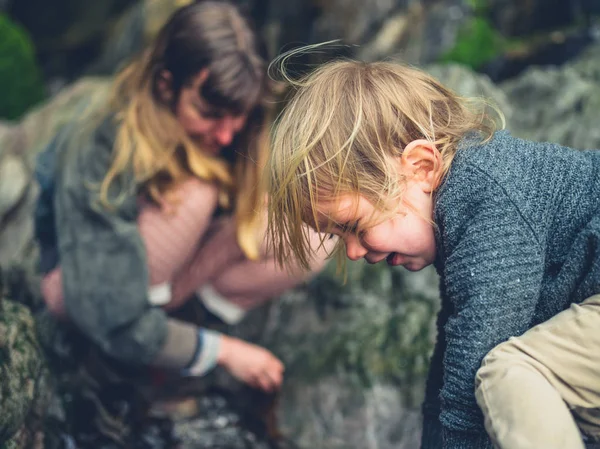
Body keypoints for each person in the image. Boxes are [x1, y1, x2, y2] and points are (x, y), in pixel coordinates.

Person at [266, 58, 600, 449]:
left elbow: (472, 373)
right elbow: (449, 369)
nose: (354, 251)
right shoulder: (459, 215)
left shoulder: (488, 196)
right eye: (339, 238)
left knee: (509, 375)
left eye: (355, 227)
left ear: (422, 166)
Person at [33, 1, 330, 395]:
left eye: (237, 115)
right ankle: (133, 358)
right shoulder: (100, 143)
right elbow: (108, 313)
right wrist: (225, 352)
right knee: (196, 194)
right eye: (208, 112)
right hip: (86, 287)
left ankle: (175, 341)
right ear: (166, 84)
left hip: (167, 278)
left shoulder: (236, 127)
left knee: (310, 236)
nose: (226, 135)